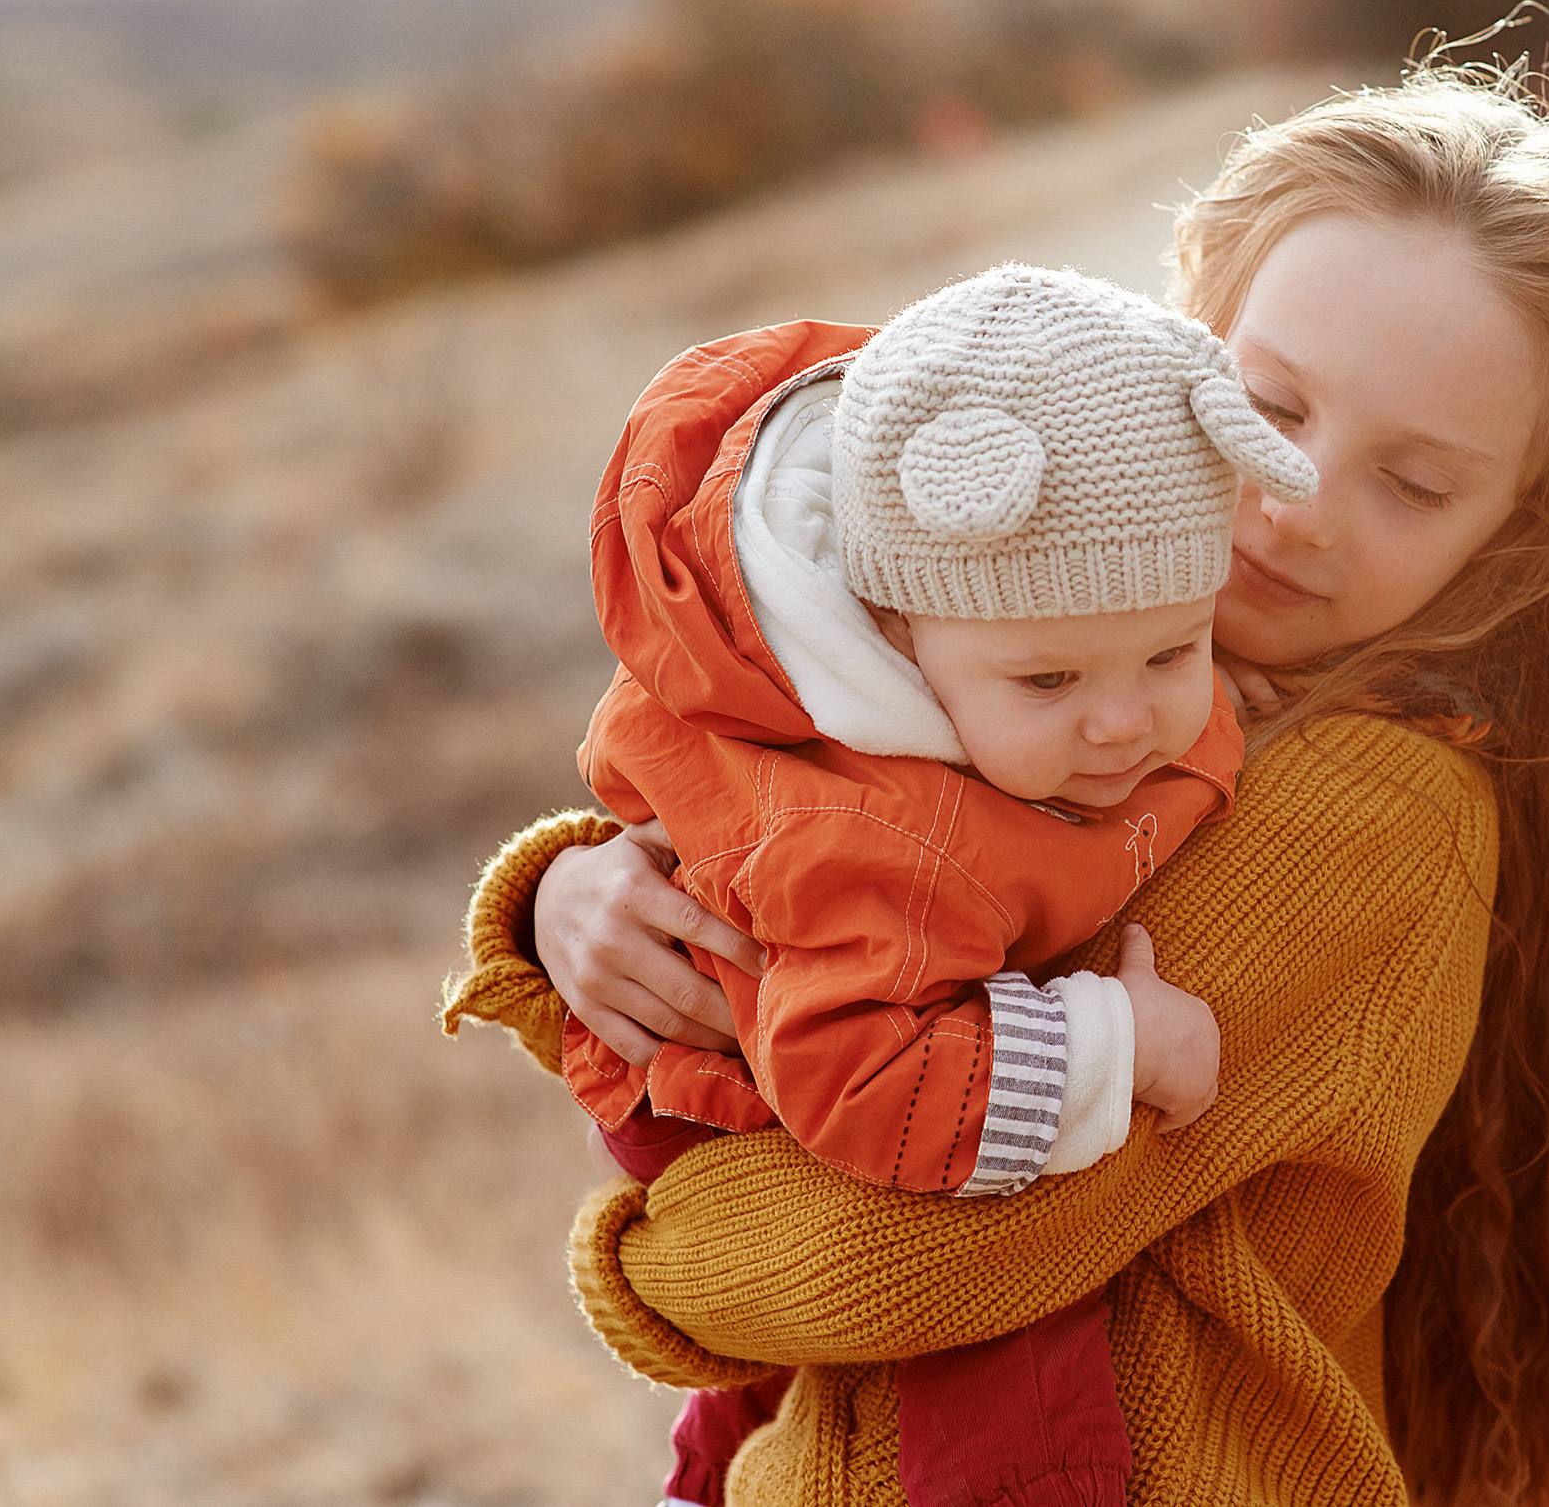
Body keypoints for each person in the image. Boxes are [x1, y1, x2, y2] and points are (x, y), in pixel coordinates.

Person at [443, 67, 1549, 1506]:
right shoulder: (1087, 669)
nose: (1298, 507)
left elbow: (909, 1251)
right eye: (1269, 408)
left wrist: (646, 1254)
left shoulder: (1366, 808)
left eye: (1412, 482)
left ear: (1512, 543)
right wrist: (573, 894)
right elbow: (817, 827)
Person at [548, 262, 1317, 1507]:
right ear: (895, 637)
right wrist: (1111, 1048)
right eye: (1049, 684)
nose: (1126, 724)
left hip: (858, 1017)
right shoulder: (877, 839)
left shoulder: (1043, 684)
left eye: (1175, 650)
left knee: (774, 1400)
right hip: (749, 1080)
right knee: (1008, 1362)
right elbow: (862, 1079)